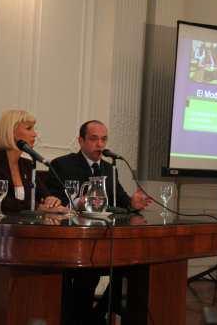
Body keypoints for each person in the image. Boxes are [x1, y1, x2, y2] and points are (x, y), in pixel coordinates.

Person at [46, 120, 151, 325]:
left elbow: (121, 200)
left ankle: (95, 316)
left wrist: (133, 202)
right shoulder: (62, 165)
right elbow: (52, 200)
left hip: (105, 240)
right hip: (74, 241)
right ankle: (83, 318)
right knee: (87, 275)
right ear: (81, 140)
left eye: (103, 139)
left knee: (132, 268)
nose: (100, 145)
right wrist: (77, 202)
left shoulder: (109, 169)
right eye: (94, 139)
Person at [0, 109, 65, 213]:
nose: (35, 134)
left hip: (24, 226)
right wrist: (37, 207)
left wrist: (51, 200)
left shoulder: (27, 164)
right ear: (12, 132)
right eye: (29, 128)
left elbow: (45, 195)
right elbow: (0, 202)